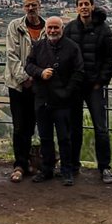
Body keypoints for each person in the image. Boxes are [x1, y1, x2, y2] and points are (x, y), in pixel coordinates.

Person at [24, 16, 85, 186]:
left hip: (63, 102)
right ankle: (47, 169)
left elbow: (79, 72)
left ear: (62, 29)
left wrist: (67, 92)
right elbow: (28, 65)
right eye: (50, 27)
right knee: (45, 137)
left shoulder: (72, 48)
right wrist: (40, 72)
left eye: (55, 28)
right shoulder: (38, 46)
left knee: (65, 137)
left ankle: (67, 171)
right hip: (42, 99)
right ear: (46, 29)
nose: (52, 31)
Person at [63, 0, 112, 184]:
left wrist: (101, 81)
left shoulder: (103, 29)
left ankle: (104, 167)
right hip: (76, 86)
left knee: (100, 128)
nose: (84, 7)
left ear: (92, 6)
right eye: (80, 4)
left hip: (94, 86)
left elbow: (111, 58)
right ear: (76, 8)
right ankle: (73, 164)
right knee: (74, 128)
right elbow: (64, 56)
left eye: (87, 4)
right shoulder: (69, 28)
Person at [4, 0, 45, 183]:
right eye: (27, 5)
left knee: (33, 125)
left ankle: (30, 161)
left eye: (33, 5)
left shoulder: (47, 29)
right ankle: (19, 164)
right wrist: (25, 77)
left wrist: (35, 79)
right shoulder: (15, 26)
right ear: (23, 7)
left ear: (39, 6)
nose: (30, 8)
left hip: (40, 87)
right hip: (19, 86)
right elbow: (11, 56)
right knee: (19, 125)